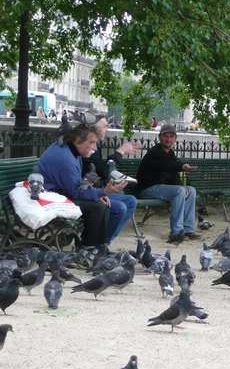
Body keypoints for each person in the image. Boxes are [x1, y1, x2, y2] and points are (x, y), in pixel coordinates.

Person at [37, 122, 129, 265]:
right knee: (98, 206)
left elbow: (77, 186)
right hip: (51, 199)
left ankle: (98, 247)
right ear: (78, 141)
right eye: (92, 143)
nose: (95, 147)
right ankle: (87, 251)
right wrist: (103, 191)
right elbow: (76, 193)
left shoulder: (72, 150)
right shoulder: (66, 158)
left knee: (118, 205)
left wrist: (95, 191)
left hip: (61, 194)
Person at [81, 112, 141, 244]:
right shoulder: (86, 145)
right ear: (95, 128)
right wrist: (120, 152)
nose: (107, 129)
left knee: (131, 201)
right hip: (85, 192)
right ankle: (98, 244)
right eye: (105, 126)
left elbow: (102, 167)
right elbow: (104, 169)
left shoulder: (95, 144)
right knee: (120, 207)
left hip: (95, 189)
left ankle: (104, 242)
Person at [136, 123, 201, 243]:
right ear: (159, 137)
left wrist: (182, 186)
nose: (168, 139)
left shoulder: (170, 153)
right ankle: (176, 232)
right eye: (165, 136)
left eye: (171, 136)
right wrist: (182, 166)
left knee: (190, 190)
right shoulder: (156, 152)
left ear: (175, 138)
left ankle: (188, 230)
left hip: (162, 189)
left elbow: (173, 174)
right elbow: (167, 166)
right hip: (148, 189)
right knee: (179, 191)